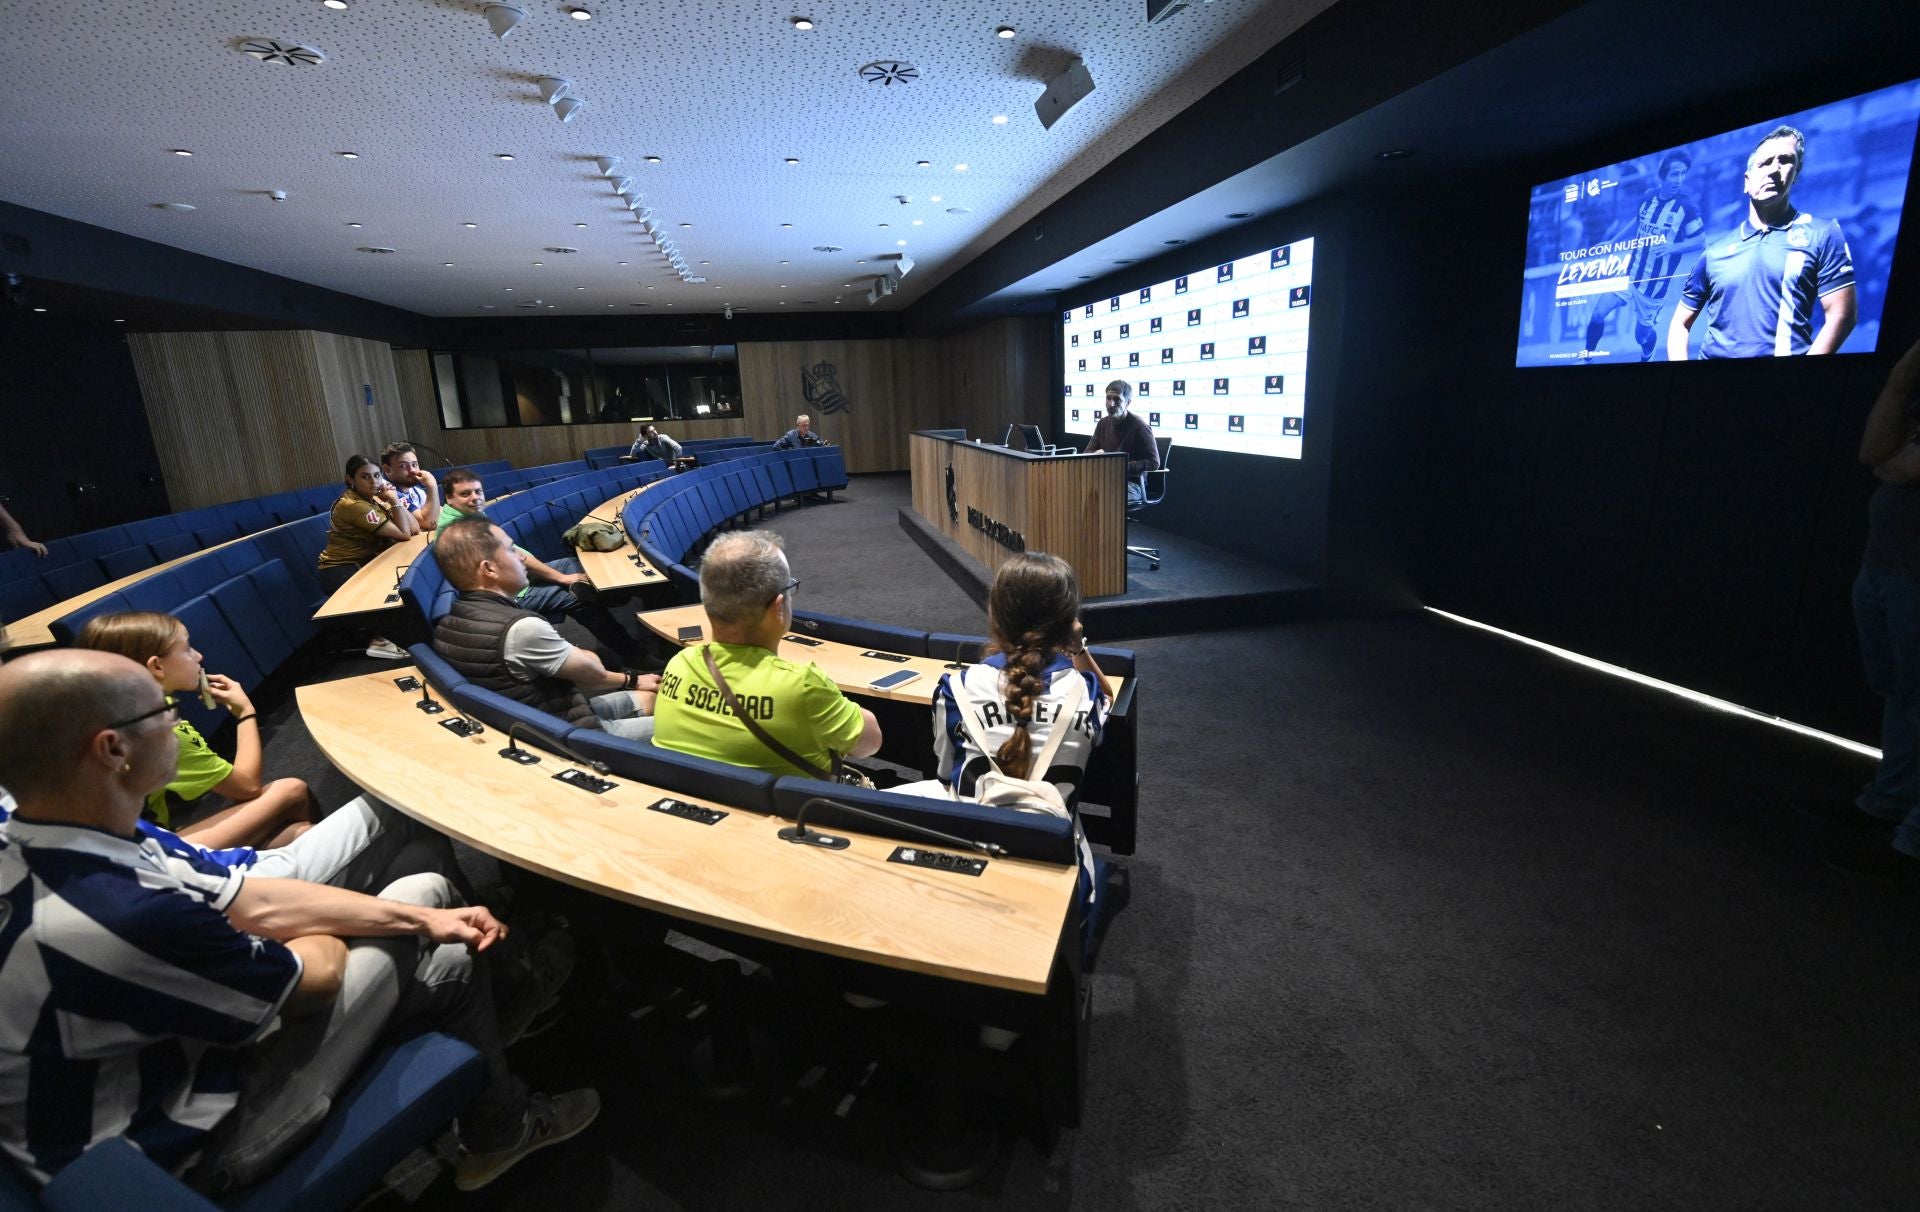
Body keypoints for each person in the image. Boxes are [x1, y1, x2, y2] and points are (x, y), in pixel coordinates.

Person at [0, 649, 598, 1194]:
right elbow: (314, 980)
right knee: (440, 941)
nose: (175, 720)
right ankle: (500, 1130)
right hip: (175, 1151)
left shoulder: (58, 830)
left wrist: (408, 916)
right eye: (160, 711)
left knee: (423, 894)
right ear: (113, 750)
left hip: (164, 1058)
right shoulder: (117, 914)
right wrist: (386, 924)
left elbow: (251, 903)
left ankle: (502, 1003)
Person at [924, 553, 1113, 897]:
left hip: (966, 869)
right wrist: (1078, 648)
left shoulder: (954, 689)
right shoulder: (1085, 693)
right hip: (1060, 877)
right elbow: (1107, 698)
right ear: (1069, 621)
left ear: (995, 615)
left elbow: (944, 772)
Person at [75, 610, 315, 849]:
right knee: (292, 791)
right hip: (139, 857)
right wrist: (245, 713)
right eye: (187, 649)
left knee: (300, 833)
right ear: (157, 666)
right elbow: (247, 787)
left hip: (103, 847)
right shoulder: (157, 730)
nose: (198, 656)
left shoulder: (100, 710)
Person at [652, 530, 881, 775]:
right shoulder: (802, 686)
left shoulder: (679, 665)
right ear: (779, 607)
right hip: (796, 811)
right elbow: (871, 743)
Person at [431, 517, 658, 741]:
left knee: (654, 697)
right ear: (489, 569)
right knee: (690, 721)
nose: (522, 557)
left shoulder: (448, 624)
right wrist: (580, 652)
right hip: (576, 735)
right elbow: (594, 673)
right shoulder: (522, 628)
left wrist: (632, 680)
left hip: (549, 717)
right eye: (511, 550)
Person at [1667, 125, 1857, 360]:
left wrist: (1804, 376)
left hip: (1780, 387)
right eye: (1765, 163)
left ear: (1796, 174)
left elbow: (1842, 314)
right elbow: (1680, 324)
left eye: (1785, 161)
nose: (1774, 170)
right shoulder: (1714, 252)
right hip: (1710, 387)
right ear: (1747, 182)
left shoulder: (1822, 233)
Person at [1846, 334, 1920, 876]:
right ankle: (1889, 802)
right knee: (1902, 694)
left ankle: (1912, 836)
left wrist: (1892, 462)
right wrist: (1901, 376)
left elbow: (1897, 468)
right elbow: (1874, 454)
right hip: (1886, 570)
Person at [435, 468, 639, 660]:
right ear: (449, 498)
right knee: (576, 598)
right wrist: (562, 579)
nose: (475, 498)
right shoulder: (460, 530)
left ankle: (609, 596)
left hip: (515, 575)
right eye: (465, 494)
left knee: (572, 564)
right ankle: (633, 653)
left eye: (478, 491)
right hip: (508, 593)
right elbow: (517, 558)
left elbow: (515, 555)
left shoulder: (469, 514)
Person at [1580, 153, 1707, 362]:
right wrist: (1612, 243)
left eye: (1683, 174)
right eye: (1674, 174)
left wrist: (1673, 247)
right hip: (1630, 273)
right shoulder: (1648, 197)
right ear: (1663, 175)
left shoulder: (1686, 207)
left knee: (1642, 335)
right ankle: (1586, 359)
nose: (1679, 179)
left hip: (1653, 286)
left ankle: (1648, 352)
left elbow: (1700, 240)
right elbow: (1637, 222)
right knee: (1597, 314)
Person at [317, 454, 420, 660]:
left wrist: (394, 500)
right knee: (389, 588)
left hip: (364, 562)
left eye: (377, 475)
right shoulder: (352, 505)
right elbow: (404, 534)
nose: (374, 482)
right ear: (350, 480)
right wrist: (393, 500)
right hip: (341, 569)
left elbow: (414, 528)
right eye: (365, 477)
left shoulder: (372, 499)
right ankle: (379, 641)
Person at [1083, 380, 1160, 503]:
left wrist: (1117, 466)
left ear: (1128, 403)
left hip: (1132, 484)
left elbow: (1153, 463)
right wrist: (1094, 454)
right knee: (1080, 491)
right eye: (1108, 398)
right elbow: (1086, 453)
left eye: (1117, 399)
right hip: (1106, 479)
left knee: (1104, 497)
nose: (1111, 404)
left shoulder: (1139, 426)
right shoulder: (1102, 423)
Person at [381, 441, 442, 531]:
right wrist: (432, 486)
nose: (412, 470)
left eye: (414, 464)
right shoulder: (386, 490)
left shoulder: (415, 490)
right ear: (387, 470)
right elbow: (429, 523)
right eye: (403, 466)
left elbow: (442, 514)